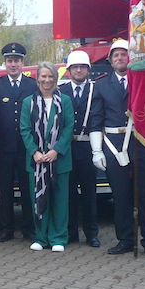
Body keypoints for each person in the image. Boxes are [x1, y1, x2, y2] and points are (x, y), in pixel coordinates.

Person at [90, 39, 145, 259]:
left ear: (131, 58)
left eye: (124, 54)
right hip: (115, 146)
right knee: (120, 196)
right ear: (110, 61)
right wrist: (97, 150)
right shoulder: (101, 85)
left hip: (142, 143)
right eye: (116, 56)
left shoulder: (143, 81)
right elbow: (96, 119)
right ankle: (125, 239)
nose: (120, 58)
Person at [21, 61, 74, 252]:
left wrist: (56, 150)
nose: (47, 79)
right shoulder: (28, 102)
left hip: (59, 160)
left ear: (55, 78)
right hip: (36, 162)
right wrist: (34, 151)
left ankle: (58, 237)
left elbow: (69, 127)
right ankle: (41, 237)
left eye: (50, 76)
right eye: (43, 76)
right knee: (38, 199)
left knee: (60, 201)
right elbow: (25, 129)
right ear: (37, 78)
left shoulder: (65, 100)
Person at [0, 42, 38, 242]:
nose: (13, 64)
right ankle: (5, 229)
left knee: (28, 189)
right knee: (5, 190)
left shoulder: (32, 85)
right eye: (10, 61)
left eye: (17, 60)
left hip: (27, 148)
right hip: (5, 147)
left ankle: (29, 228)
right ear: (5, 63)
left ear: (22, 62)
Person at [58, 50, 100, 247]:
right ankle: (71, 232)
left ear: (88, 70)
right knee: (69, 192)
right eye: (75, 67)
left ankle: (91, 233)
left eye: (82, 67)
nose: (78, 70)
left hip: (87, 145)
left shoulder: (95, 90)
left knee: (89, 192)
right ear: (69, 71)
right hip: (67, 148)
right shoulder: (61, 91)